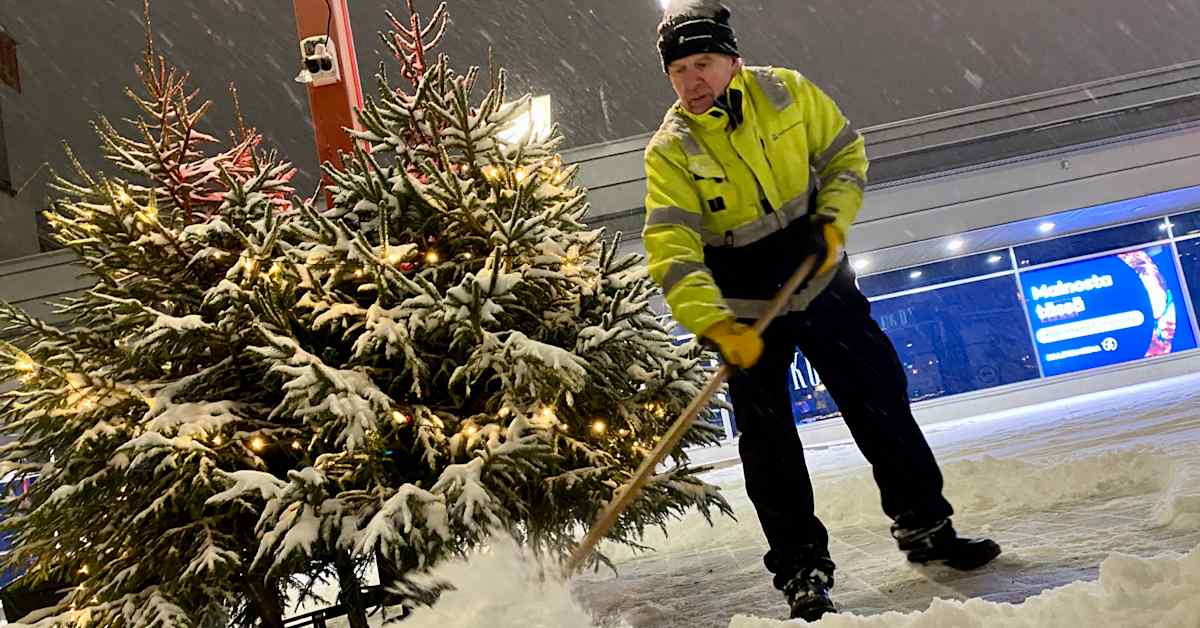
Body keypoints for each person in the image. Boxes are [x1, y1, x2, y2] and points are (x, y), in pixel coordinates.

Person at [642, 1, 1001, 621]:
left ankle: (927, 529)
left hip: (822, 282)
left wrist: (832, 223)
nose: (691, 80)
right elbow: (671, 248)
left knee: (882, 404)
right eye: (678, 70)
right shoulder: (670, 151)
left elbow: (845, 157)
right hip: (749, 312)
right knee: (770, 446)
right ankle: (801, 570)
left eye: (703, 63)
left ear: (733, 61)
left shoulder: (789, 94)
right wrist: (716, 324)